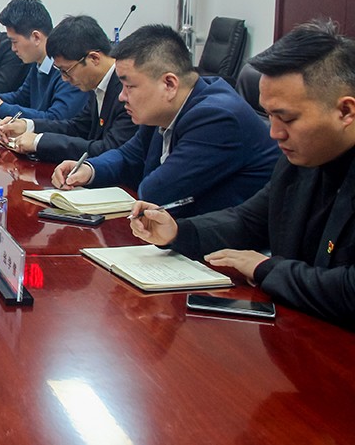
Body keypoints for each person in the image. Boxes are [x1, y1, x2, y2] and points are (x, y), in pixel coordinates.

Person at [131, 20, 355, 328]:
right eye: (269, 115)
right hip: (296, 329)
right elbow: (248, 220)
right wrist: (178, 232)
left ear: (345, 111)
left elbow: (349, 290)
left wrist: (266, 269)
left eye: (287, 118)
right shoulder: (299, 160)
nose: (274, 133)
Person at [53, 24, 278, 216]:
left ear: (169, 84)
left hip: (228, 246)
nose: (121, 96)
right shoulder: (166, 109)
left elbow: (157, 192)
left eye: (129, 86)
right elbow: (128, 156)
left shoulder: (217, 118)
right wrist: (90, 169)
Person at [0, 15, 138, 162]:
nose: (64, 79)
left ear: (94, 58)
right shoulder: (97, 83)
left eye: (66, 71)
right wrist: (28, 126)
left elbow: (109, 149)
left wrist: (38, 141)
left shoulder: (126, 90)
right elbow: (78, 127)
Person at [0, 0, 87, 120]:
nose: (13, 49)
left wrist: (0, 107)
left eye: (14, 42)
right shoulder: (38, 64)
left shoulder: (68, 69)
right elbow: (21, 97)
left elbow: (57, 118)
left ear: (36, 37)